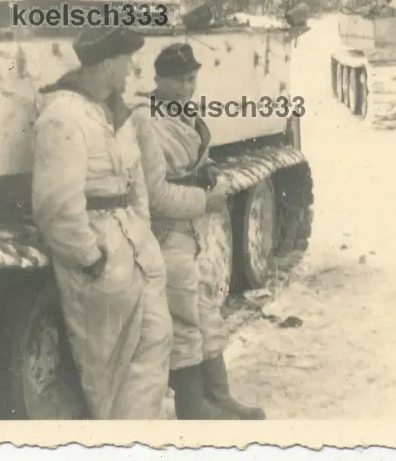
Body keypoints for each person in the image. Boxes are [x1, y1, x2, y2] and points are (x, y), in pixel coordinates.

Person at [31, 25, 173, 420]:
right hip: (102, 261)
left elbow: (135, 181)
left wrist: (142, 229)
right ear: (109, 63)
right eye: (126, 61)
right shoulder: (63, 117)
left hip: (136, 250)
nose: (131, 69)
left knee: (154, 347)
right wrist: (92, 258)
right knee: (109, 375)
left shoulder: (114, 112)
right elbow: (56, 207)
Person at [131, 42, 266, 420]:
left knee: (207, 309)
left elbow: (195, 160)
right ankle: (192, 407)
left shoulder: (184, 114)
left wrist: (206, 172)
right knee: (183, 319)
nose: (187, 88)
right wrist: (202, 200)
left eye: (191, 79)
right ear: (158, 79)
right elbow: (155, 194)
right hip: (166, 231)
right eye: (178, 80)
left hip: (192, 230)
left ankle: (219, 397)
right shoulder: (146, 120)